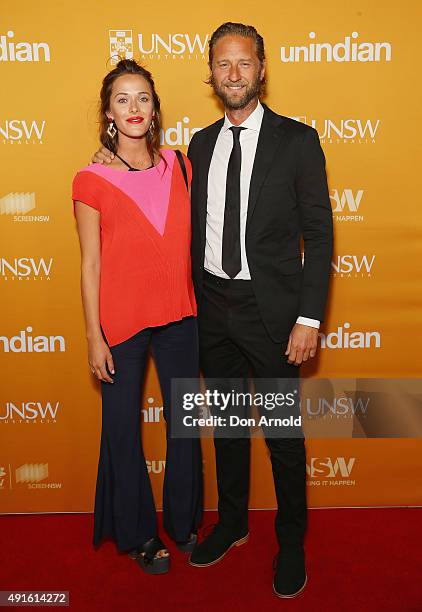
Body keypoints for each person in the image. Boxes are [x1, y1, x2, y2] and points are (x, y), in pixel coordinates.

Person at [93, 22, 333, 598]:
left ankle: (292, 540)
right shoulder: (195, 147)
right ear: (210, 74)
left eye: (243, 63)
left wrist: (309, 318)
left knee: (281, 432)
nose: (233, 74)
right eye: (222, 64)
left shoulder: (297, 141)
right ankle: (229, 523)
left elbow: (319, 235)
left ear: (261, 70)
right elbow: (143, 180)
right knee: (225, 425)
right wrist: (106, 158)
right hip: (211, 310)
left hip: (273, 313)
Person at [72, 58, 202, 575]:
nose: (134, 107)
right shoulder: (90, 178)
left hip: (180, 315)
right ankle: (139, 534)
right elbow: (90, 263)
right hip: (121, 322)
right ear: (108, 111)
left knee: (185, 425)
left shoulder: (181, 164)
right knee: (122, 429)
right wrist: (93, 336)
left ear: (155, 108)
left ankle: (185, 522)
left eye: (143, 97)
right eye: (122, 99)